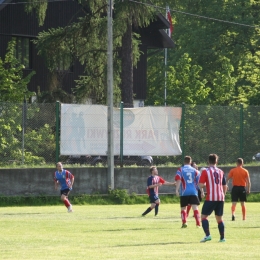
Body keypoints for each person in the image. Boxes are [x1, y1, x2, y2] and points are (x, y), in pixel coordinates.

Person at [199, 154, 228, 243]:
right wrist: (223, 195)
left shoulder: (205, 171)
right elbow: (225, 186)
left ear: (208, 161)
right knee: (219, 219)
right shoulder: (221, 171)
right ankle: (222, 238)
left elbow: (200, 184)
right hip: (220, 197)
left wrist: (205, 186)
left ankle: (208, 235)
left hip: (211, 198)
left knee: (204, 217)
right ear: (216, 161)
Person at [175, 156, 201, 228]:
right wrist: (201, 191)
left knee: (183, 208)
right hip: (193, 191)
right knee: (195, 208)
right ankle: (198, 224)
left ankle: (184, 223)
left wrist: (177, 190)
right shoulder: (195, 170)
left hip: (184, 192)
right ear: (190, 162)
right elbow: (199, 182)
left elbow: (178, 180)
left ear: (184, 161)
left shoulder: (180, 170)